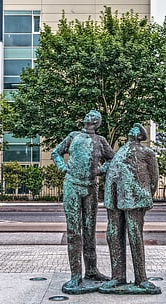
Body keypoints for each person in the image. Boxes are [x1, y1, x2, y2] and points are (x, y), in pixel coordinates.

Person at [51, 110, 114, 294]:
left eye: (91, 116)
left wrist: (101, 170)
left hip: (90, 188)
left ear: (95, 121)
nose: (87, 116)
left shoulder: (100, 141)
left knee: (89, 231)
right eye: (87, 115)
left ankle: (92, 271)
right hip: (72, 185)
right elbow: (56, 153)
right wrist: (63, 168)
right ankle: (76, 275)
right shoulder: (73, 136)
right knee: (73, 232)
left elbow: (113, 159)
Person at [101, 123, 161, 294]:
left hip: (135, 199)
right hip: (114, 200)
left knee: (135, 236)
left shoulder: (146, 152)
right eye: (131, 128)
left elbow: (154, 178)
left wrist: (145, 196)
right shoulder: (119, 151)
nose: (131, 130)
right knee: (113, 235)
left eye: (135, 129)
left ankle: (141, 279)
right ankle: (117, 277)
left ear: (139, 136)